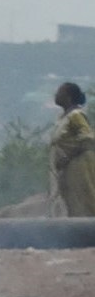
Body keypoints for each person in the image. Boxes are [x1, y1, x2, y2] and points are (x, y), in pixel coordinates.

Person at [50, 83, 95, 217]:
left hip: (80, 166)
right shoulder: (62, 118)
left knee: (85, 198)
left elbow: (87, 138)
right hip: (67, 168)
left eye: (59, 92)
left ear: (68, 97)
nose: (56, 95)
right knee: (71, 201)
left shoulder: (76, 115)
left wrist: (69, 156)